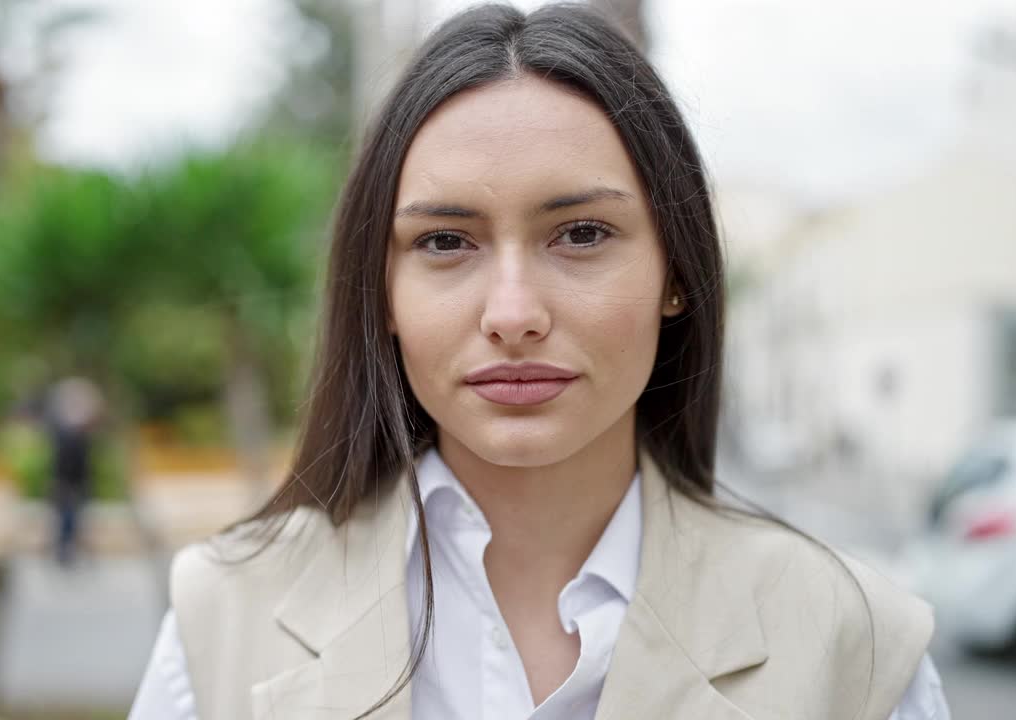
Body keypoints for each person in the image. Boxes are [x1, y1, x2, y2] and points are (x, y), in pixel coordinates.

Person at [129, 4, 949, 719]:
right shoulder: (225, 616)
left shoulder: (853, 643)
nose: (513, 314)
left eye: (582, 234)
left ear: (675, 273)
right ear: (380, 291)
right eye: (445, 242)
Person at [44, 376, 104, 568]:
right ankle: (64, 552)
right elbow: (60, 463)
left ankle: (71, 552)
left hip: (76, 482)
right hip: (66, 483)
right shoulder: (65, 435)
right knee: (66, 520)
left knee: (75, 519)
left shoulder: (80, 436)